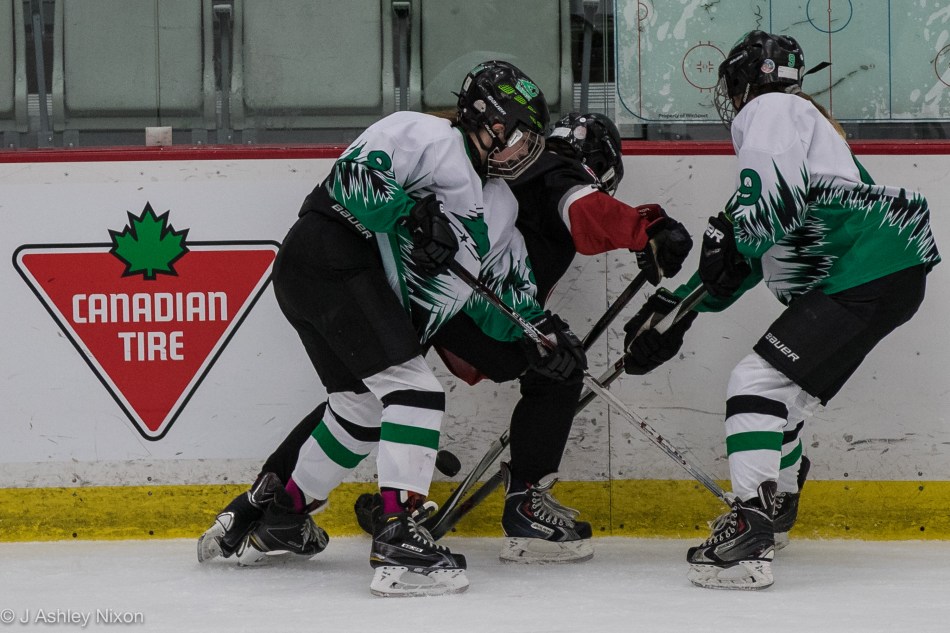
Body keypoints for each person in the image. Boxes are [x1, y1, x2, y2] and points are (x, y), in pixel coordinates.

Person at [197, 110, 692, 572]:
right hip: (441, 301)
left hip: (440, 302)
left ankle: (266, 506)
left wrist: (541, 329)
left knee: (360, 400)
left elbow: (506, 274)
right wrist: (645, 229)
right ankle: (494, 509)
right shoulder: (560, 174)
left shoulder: (502, 189)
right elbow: (582, 209)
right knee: (491, 379)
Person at [198, 60, 560, 598]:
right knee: (415, 390)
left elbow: (497, 299)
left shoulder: (500, 205)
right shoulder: (426, 133)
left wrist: (544, 337)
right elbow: (350, 179)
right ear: (487, 120)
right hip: (328, 258)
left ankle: (284, 515)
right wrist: (412, 213)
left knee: (359, 409)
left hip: (344, 283)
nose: (524, 148)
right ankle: (398, 535)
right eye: (519, 134)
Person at [622, 31, 940, 590]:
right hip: (885, 273)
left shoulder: (771, 110)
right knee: (784, 395)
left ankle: (751, 528)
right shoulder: (805, 136)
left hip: (866, 270)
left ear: (746, 81)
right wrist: (675, 310)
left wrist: (727, 250)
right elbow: (742, 257)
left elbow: (763, 221)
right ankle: (779, 504)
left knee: (756, 380)